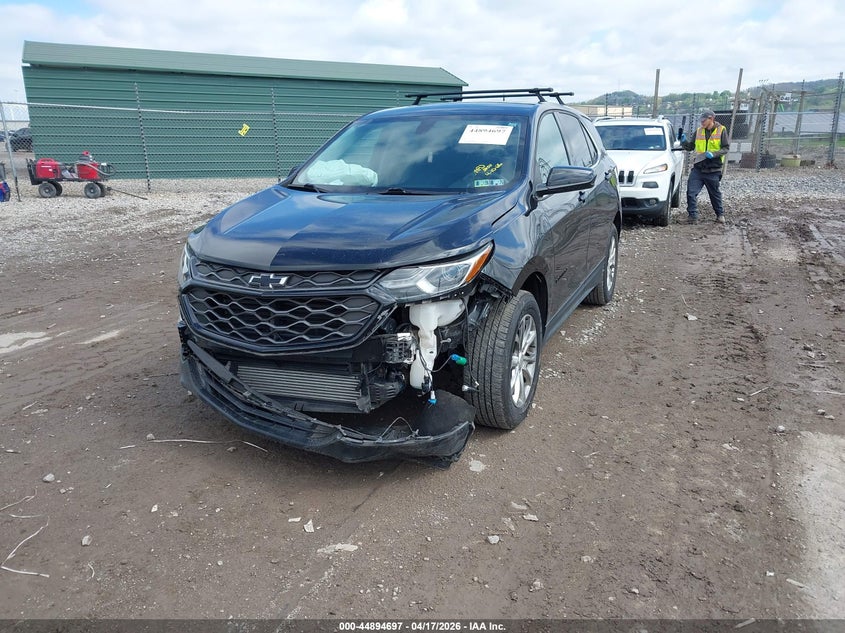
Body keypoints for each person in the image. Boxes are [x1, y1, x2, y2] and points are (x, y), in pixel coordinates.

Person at [679, 109, 730, 224]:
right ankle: (693, 216)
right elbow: (690, 147)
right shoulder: (698, 131)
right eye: (701, 120)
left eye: (704, 120)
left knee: (714, 194)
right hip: (698, 168)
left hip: (713, 169)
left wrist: (715, 154)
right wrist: (684, 141)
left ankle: (720, 215)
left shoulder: (721, 130)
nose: (702, 122)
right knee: (691, 192)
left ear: (711, 119)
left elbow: (726, 148)